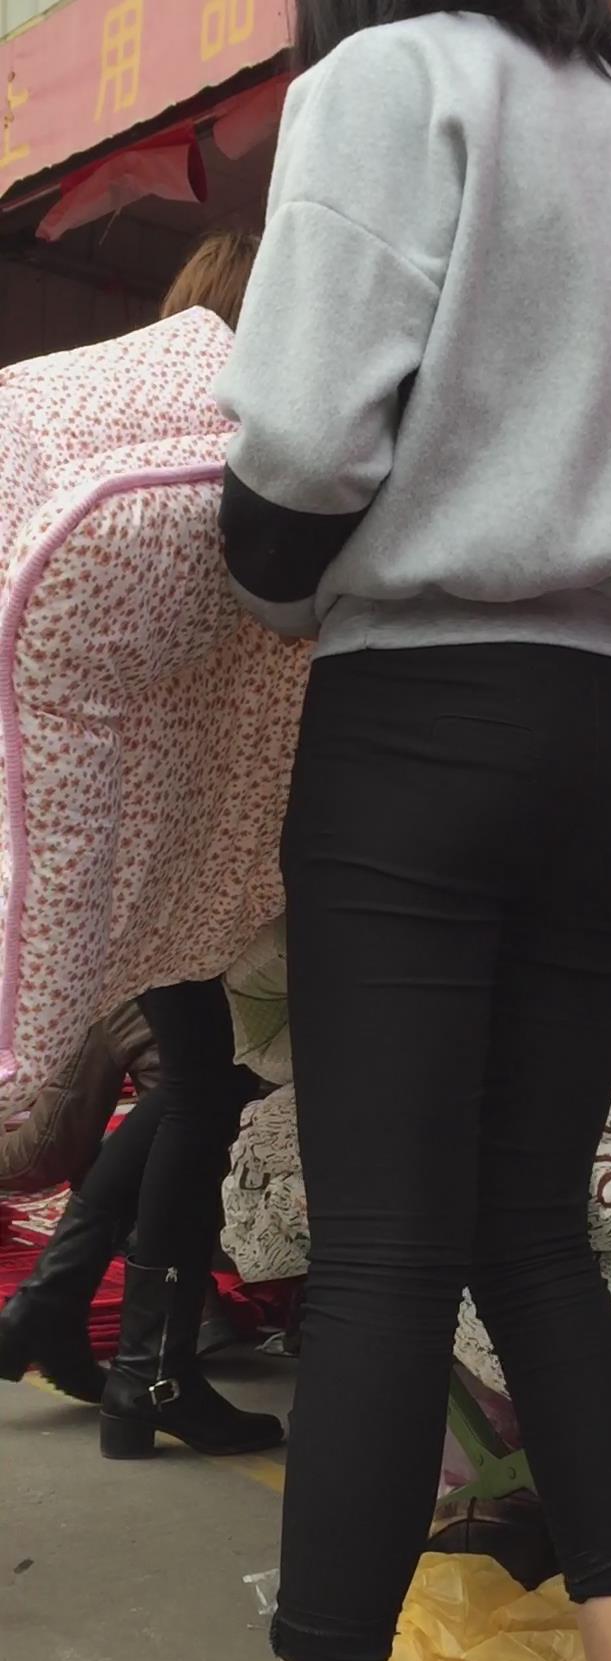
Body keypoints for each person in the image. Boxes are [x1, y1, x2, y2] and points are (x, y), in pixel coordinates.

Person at [208, 3, 611, 1661]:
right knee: (533, 1235)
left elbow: (299, 434)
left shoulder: (392, 79)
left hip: (426, 704)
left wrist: (263, 573)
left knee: (384, 1250)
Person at [0, 232, 282, 1461]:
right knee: (205, 1081)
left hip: (102, 816)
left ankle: (67, 1319)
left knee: (195, 1076)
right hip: (152, 820)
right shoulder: (226, 439)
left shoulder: (91, 410)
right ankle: (141, 1367)